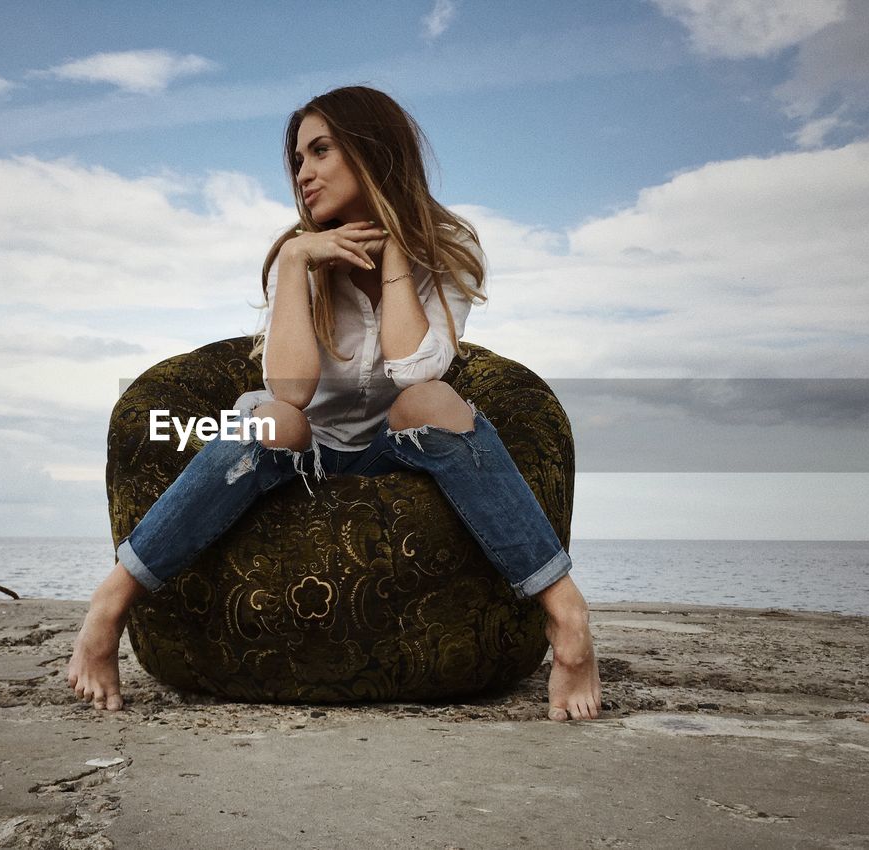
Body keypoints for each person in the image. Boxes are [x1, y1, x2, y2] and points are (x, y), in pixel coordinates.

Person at [67, 86, 601, 721]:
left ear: (372, 152)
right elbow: (291, 391)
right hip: (300, 456)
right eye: (298, 160)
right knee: (275, 417)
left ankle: (568, 616)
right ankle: (110, 603)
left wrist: (398, 248)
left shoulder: (452, 249)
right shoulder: (299, 254)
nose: (304, 173)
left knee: (432, 400)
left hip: (398, 456)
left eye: (321, 151)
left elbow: (413, 370)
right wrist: (295, 262)